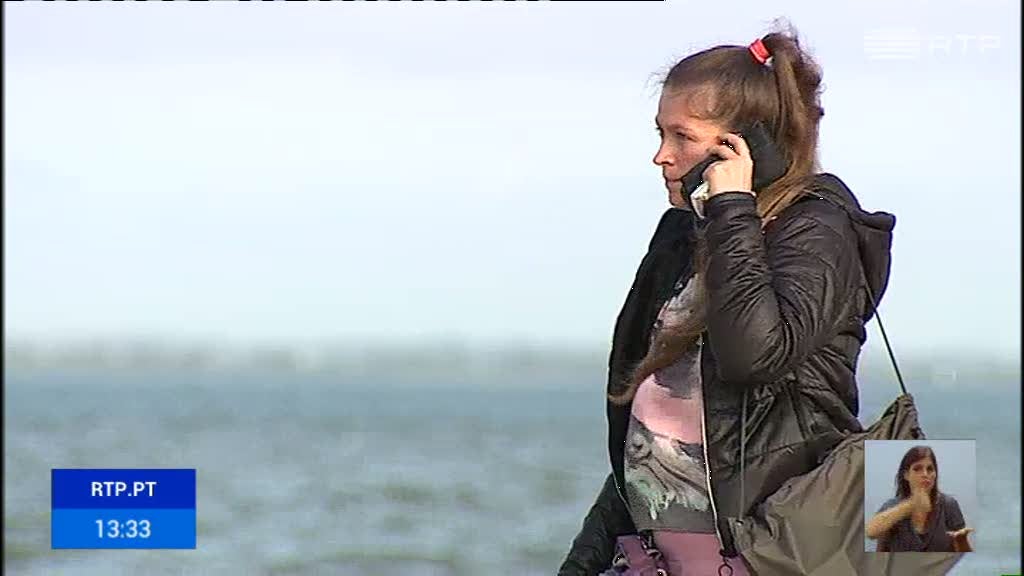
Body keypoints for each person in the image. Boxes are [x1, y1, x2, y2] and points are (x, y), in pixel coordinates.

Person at [558, 22, 897, 576]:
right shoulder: (680, 234)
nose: (661, 156)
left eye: (682, 137)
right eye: (659, 133)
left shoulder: (819, 230)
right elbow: (648, 442)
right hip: (654, 555)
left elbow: (752, 355)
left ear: (746, 146)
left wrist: (733, 207)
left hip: (770, 556)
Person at [865, 446, 973, 553]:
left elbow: (964, 554)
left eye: (930, 469)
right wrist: (912, 504)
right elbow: (870, 532)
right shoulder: (892, 506)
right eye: (917, 469)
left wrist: (961, 541)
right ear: (906, 475)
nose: (925, 474)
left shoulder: (948, 505)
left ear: (935, 474)